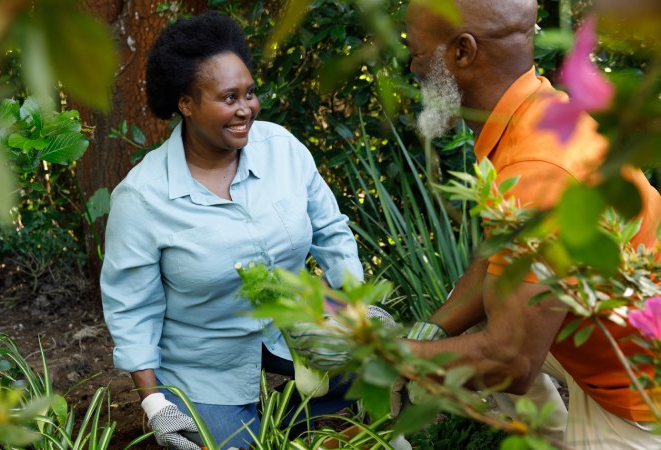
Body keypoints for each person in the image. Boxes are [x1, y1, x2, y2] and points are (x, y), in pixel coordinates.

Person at [401, 0, 661, 448]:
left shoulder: (537, 168)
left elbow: (510, 361)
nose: (413, 68)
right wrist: (434, 332)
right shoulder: (535, 110)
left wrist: (392, 357)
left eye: (418, 53)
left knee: (499, 345)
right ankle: (551, 437)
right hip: (605, 333)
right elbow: (497, 264)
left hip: (638, 397)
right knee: (482, 322)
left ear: (462, 52)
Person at [100, 11, 364, 450]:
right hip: (205, 360)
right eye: (228, 98)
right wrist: (154, 405)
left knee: (380, 360)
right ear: (186, 104)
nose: (246, 109)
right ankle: (242, 424)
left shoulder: (282, 149)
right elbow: (131, 309)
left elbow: (332, 233)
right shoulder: (143, 197)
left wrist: (357, 305)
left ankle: (296, 419)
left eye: (250, 93)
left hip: (295, 326)